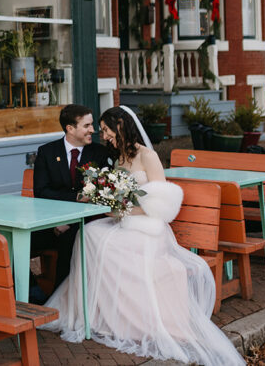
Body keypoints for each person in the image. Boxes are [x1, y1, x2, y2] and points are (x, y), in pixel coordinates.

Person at [40, 106, 245, 366]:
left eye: (105, 130)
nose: (103, 136)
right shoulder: (117, 157)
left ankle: (128, 319)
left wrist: (125, 209)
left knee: (104, 241)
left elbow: (164, 203)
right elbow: (116, 193)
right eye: (100, 131)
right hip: (123, 221)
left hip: (149, 226)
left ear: (120, 127)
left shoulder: (148, 156)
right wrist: (113, 205)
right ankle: (96, 312)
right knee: (89, 232)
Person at [31, 104, 116, 290]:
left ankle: (59, 298)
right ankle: (30, 293)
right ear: (70, 128)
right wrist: (75, 198)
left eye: (92, 125)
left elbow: (101, 195)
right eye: (87, 126)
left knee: (69, 242)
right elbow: (41, 192)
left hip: (84, 223)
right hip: (50, 222)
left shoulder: (100, 154)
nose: (93, 131)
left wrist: (69, 223)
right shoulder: (47, 152)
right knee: (15, 243)